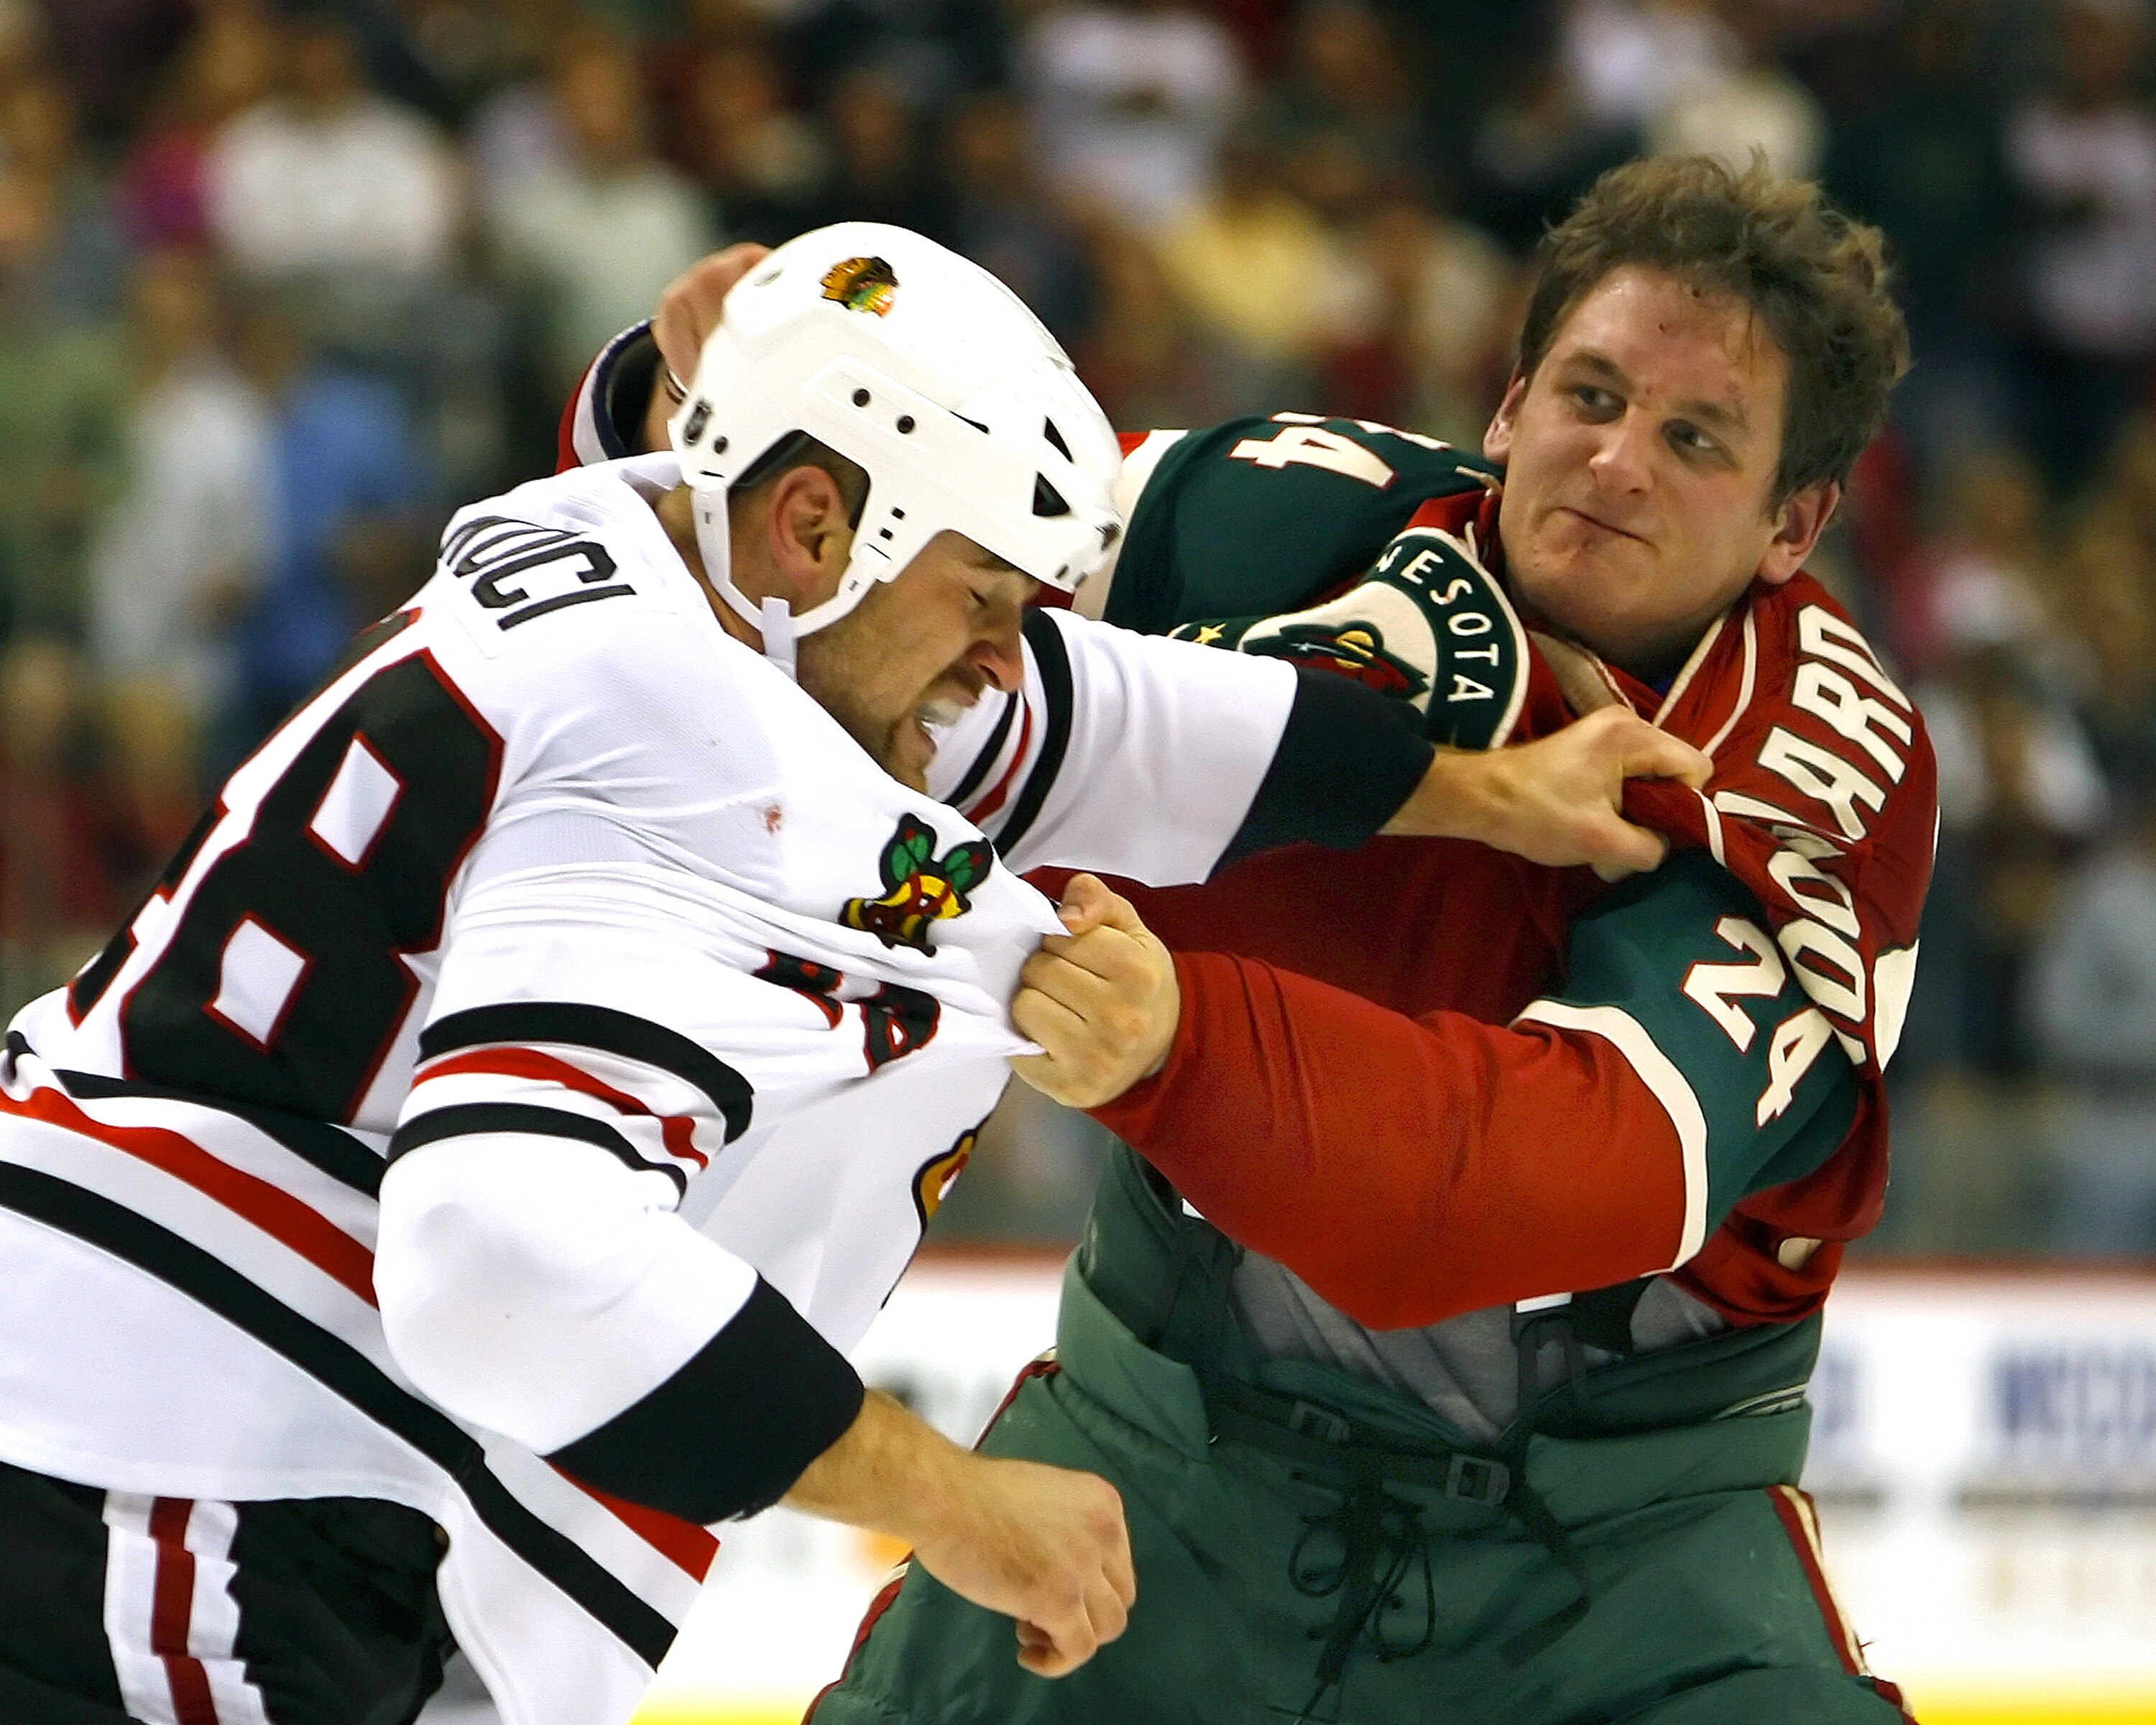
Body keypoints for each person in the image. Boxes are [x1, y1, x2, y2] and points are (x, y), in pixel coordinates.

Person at [0, 223, 1693, 1725]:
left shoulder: (629, 530)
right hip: (179, 1499)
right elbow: (506, 1249)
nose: (999, 657)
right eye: (980, 596)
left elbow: (1111, 719)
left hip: (149, 1436)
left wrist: (1477, 794)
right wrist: (956, 1502)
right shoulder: (691, 761)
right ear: (814, 519)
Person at [583, 156, 1932, 1723]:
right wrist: (704, 426)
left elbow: (1535, 1185)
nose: (1617, 460)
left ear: (1796, 523)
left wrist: (1180, 1048)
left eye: (1696, 439)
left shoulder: (1810, 776)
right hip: (1167, 1453)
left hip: (1614, 1563)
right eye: (1591, 393)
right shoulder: (1267, 514)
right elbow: (836, 590)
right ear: (1505, 408)